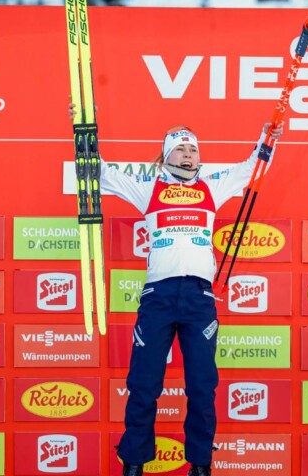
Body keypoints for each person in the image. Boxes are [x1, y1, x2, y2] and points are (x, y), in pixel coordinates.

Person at [103, 123, 283, 476]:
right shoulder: (148, 186)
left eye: (193, 149)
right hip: (158, 296)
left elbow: (253, 168)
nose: (188, 155)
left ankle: (200, 465)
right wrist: (84, 130)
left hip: (199, 299)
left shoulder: (211, 186)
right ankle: (134, 462)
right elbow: (100, 172)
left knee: (202, 386)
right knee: (143, 384)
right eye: (181, 149)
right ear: (166, 155)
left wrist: (268, 138)